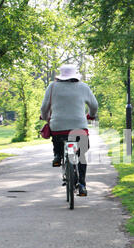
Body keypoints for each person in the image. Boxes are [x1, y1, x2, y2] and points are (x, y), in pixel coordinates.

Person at [40, 64, 98, 196]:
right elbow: (94, 105)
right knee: (81, 155)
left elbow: (44, 107)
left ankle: (58, 155)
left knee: (57, 138)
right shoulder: (83, 87)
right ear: (75, 75)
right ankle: (82, 185)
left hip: (58, 126)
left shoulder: (52, 87)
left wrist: (45, 117)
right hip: (79, 127)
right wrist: (91, 115)